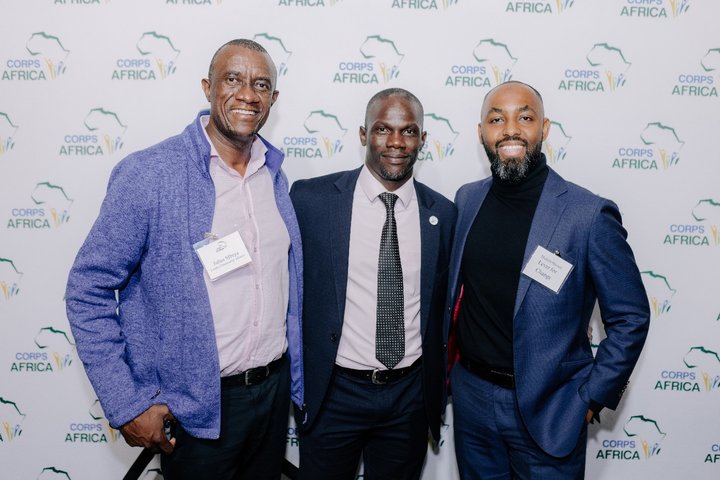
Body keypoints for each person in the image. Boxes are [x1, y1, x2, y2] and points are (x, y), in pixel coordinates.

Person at [65, 39, 303, 480]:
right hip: (195, 407)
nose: (248, 94)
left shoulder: (273, 176)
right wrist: (127, 401)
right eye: (233, 79)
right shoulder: (150, 174)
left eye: (261, 84)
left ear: (273, 98)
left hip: (272, 396)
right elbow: (87, 290)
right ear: (207, 87)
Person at [446, 80, 650, 479]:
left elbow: (631, 318)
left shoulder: (587, 214)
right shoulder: (466, 199)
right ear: (480, 132)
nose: (510, 129)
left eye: (525, 117)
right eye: (496, 118)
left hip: (550, 408)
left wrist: (590, 397)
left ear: (545, 128)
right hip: (471, 400)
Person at [290, 88, 457, 480]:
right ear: (364, 134)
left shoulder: (444, 214)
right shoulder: (311, 200)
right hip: (334, 394)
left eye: (409, 131)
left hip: (409, 398)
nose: (396, 142)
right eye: (383, 129)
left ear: (423, 140)